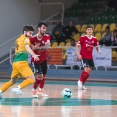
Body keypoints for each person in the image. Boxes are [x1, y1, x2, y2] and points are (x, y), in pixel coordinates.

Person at [0, 25, 39, 98]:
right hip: (22, 63)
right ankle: (18, 88)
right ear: (25, 32)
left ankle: (0, 91)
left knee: (12, 81)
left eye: (32, 33)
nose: (31, 35)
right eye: (30, 33)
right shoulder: (26, 39)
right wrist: (34, 55)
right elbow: (27, 47)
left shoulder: (18, 39)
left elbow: (26, 48)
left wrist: (34, 47)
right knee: (32, 79)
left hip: (15, 63)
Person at [76, 25, 102, 90]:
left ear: (92, 31)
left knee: (89, 72)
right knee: (86, 70)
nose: (89, 31)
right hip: (84, 57)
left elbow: (96, 47)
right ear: (86, 31)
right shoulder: (83, 38)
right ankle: (80, 81)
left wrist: (98, 50)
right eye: (88, 29)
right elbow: (77, 46)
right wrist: (78, 54)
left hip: (90, 57)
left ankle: (82, 85)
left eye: (90, 29)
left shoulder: (94, 39)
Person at [30, 22, 50, 98]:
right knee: (40, 76)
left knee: (44, 76)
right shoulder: (32, 38)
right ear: (39, 28)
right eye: (43, 28)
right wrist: (35, 47)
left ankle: (40, 90)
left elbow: (47, 47)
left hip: (43, 59)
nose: (45, 30)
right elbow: (31, 49)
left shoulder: (47, 36)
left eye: (45, 28)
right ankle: (33, 90)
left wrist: (37, 47)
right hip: (35, 60)